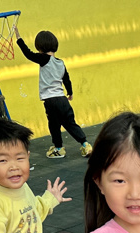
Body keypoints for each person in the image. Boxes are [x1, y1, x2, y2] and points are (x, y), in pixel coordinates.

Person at [14, 26, 93, 160]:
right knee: (70, 123)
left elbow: (28, 54)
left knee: (54, 125)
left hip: (51, 100)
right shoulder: (60, 63)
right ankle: (85, 144)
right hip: (62, 99)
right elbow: (66, 79)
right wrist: (70, 93)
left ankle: (58, 148)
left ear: (40, 48)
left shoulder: (43, 59)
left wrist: (19, 38)